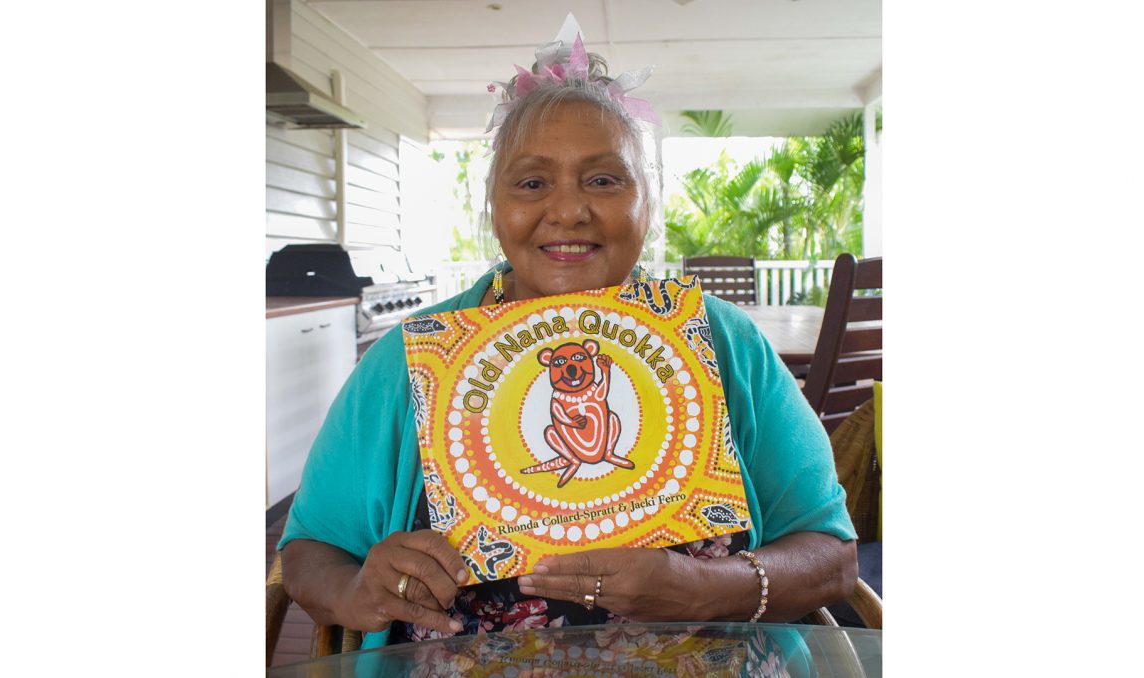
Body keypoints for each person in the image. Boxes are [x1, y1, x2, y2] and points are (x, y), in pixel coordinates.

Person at [279, 17, 857, 651]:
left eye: (604, 180)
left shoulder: (725, 344)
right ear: (496, 208)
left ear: (647, 202)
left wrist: (706, 588)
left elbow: (831, 557)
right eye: (531, 183)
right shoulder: (414, 359)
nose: (568, 210)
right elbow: (310, 549)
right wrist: (359, 589)